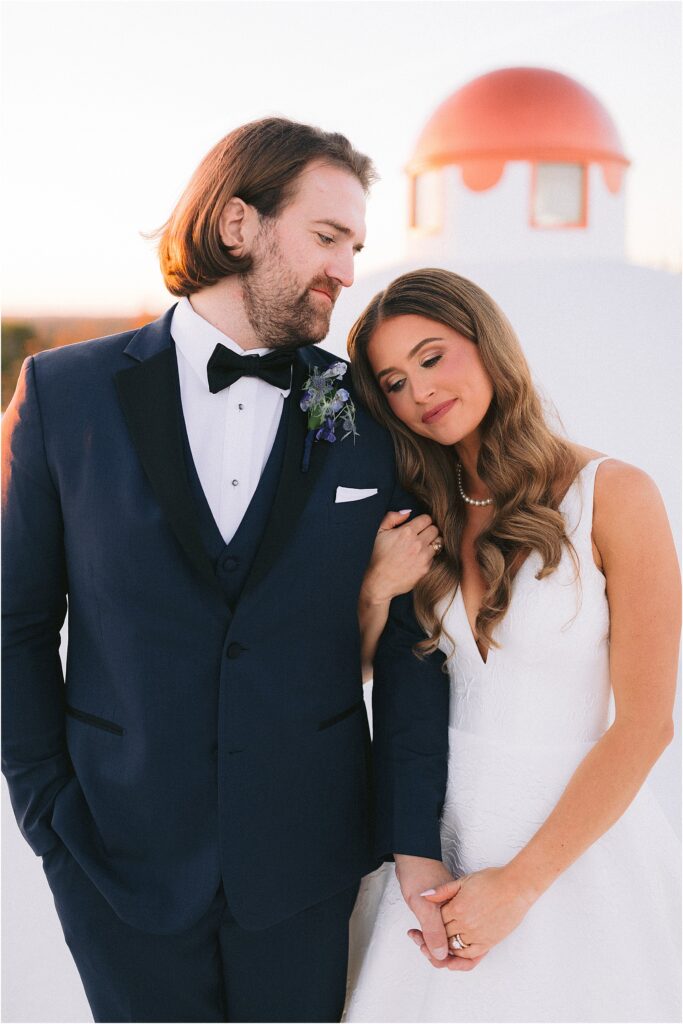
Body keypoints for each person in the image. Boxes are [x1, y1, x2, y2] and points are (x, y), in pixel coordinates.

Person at [1, 119, 449, 1024]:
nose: (347, 271)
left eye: (356, 247)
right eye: (327, 238)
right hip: (114, 854)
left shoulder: (359, 408)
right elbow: (14, 620)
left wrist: (411, 841)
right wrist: (48, 812)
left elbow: (414, 645)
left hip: (308, 860)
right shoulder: (66, 393)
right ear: (238, 223)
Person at [344, 268, 681, 1023]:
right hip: (435, 843)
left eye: (432, 358)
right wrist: (375, 589)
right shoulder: (410, 511)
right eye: (393, 381)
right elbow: (366, 677)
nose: (419, 392)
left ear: (487, 343)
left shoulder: (614, 495)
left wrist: (520, 885)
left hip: (573, 848)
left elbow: (645, 724)